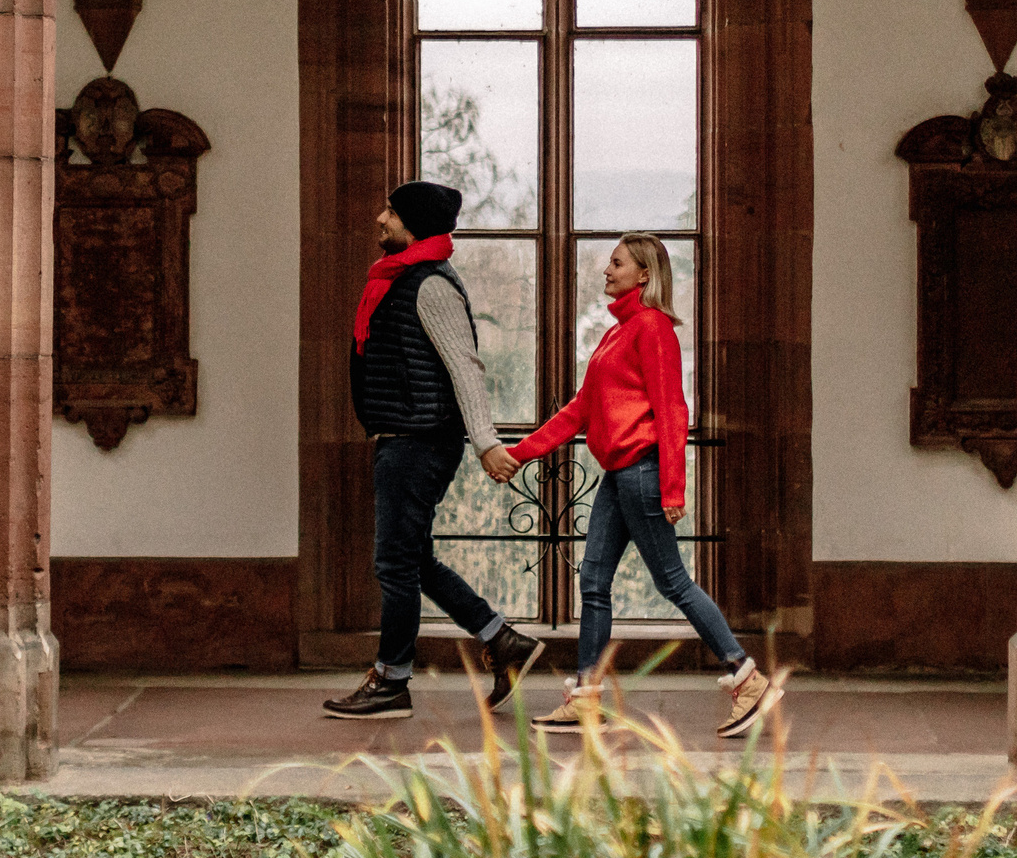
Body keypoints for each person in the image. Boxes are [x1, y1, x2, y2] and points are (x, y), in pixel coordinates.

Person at [506, 233, 779, 736]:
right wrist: (519, 454)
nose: (606, 271)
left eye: (616, 263)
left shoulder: (652, 328)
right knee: (592, 582)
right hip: (619, 476)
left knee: (672, 581)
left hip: (643, 472)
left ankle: (747, 680)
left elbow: (673, 410)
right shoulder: (619, 332)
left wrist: (674, 488)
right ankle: (587, 698)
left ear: (645, 274)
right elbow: (579, 410)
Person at [321, 180, 545, 719]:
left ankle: (392, 681)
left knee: (394, 564)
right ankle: (503, 641)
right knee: (413, 561)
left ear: (414, 224)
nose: (380, 219)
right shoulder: (399, 280)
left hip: (419, 442)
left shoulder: (430, 286)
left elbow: (464, 365)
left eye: (391, 213)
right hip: (406, 438)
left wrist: (487, 441)